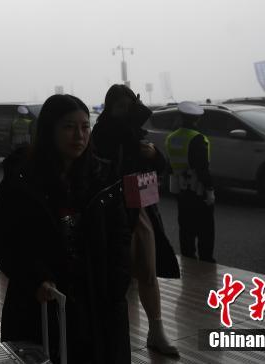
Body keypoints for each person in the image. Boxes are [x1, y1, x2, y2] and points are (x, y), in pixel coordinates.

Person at [0, 94, 131, 363]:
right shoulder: (21, 180)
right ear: (49, 130)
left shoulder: (103, 178)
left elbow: (120, 238)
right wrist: (35, 279)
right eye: (68, 127)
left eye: (85, 127)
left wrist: (115, 286)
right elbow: (3, 241)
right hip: (40, 305)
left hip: (97, 304)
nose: (79, 135)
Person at [91, 85, 180, 357]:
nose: (125, 112)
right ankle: (113, 335)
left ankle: (156, 329)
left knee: (148, 272)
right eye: (120, 106)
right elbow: (114, 145)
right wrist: (133, 117)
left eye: (129, 105)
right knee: (114, 276)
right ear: (109, 107)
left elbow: (162, 166)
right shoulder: (103, 132)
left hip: (140, 208)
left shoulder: (135, 134)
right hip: (111, 210)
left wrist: (153, 154)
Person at [166, 101, 215, 263]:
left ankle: (188, 260)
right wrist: (209, 190)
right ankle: (206, 262)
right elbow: (202, 168)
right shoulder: (197, 138)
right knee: (205, 230)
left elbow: (169, 165)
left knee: (186, 228)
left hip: (180, 190)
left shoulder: (171, 138)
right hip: (198, 189)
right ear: (197, 119)